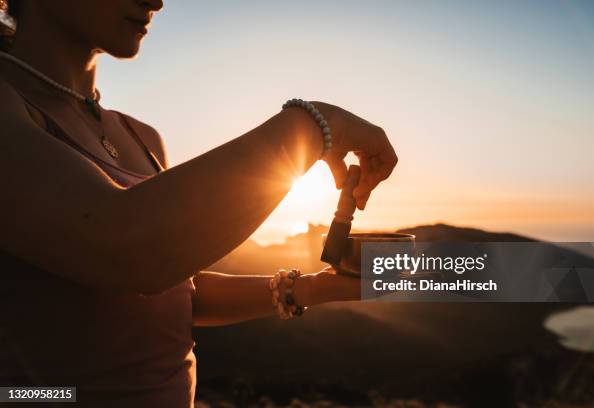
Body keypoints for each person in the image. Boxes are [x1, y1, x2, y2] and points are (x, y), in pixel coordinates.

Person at [0, 1, 397, 407]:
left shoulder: (140, 137)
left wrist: (315, 287)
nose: (156, 1)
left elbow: (171, 287)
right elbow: (128, 250)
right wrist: (313, 126)